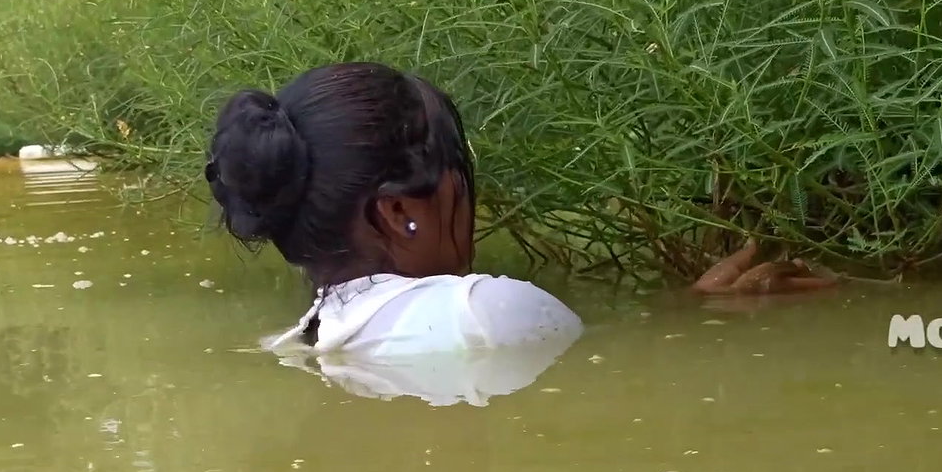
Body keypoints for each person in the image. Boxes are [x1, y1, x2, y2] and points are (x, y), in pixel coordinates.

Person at [205, 63, 832, 358]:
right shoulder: (478, 311)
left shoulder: (305, 340)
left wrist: (686, 304)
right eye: (460, 168)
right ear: (400, 213)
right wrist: (707, 318)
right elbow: (612, 362)